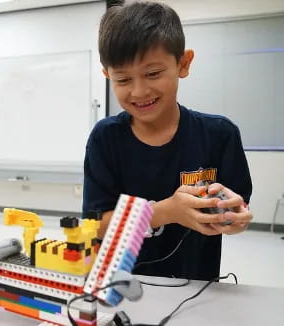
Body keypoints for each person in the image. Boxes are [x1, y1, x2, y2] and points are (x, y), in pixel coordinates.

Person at [83, 1, 252, 281]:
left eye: (152, 74)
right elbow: (96, 225)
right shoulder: (106, 138)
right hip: (122, 285)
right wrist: (165, 211)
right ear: (107, 76)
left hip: (195, 283)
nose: (139, 91)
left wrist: (232, 219)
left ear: (183, 64)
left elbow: (238, 211)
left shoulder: (220, 134)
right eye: (123, 79)